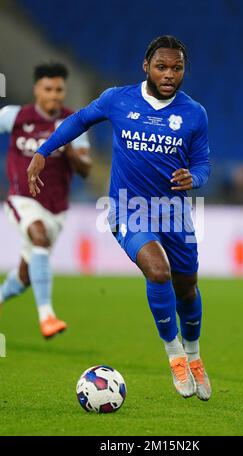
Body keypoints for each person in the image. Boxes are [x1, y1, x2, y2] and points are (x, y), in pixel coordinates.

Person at [27, 36, 212, 400]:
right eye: (162, 66)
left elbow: (203, 162)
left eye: (177, 68)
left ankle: (194, 355)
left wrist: (196, 177)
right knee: (159, 271)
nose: (169, 74)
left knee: (187, 287)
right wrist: (44, 151)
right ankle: (174, 354)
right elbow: (79, 119)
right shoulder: (118, 99)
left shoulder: (195, 114)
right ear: (146, 66)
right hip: (126, 208)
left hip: (174, 212)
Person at [0, 63, 92, 338]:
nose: (54, 95)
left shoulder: (73, 122)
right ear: (36, 90)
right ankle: (47, 317)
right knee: (38, 236)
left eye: (59, 90)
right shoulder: (14, 116)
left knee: (27, 275)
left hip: (57, 209)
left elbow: (86, 169)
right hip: (22, 199)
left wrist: (68, 148)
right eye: (48, 89)